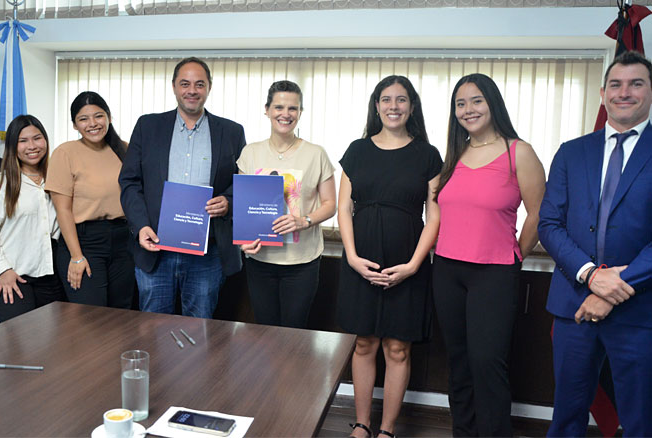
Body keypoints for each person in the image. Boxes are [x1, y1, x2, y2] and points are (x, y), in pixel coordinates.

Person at [539, 51, 652, 437]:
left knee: (641, 419)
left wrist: (610, 290)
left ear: (650, 91)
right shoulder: (572, 152)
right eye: (616, 85)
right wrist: (591, 277)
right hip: (574, 303)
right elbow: (549, 223)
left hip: (641, 309)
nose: (625, 93)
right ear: (603, 93)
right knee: (567, 415)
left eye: (636, 83)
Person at [432, 73, 545, 436]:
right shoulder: (454, 153)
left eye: (476, 100)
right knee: (459, 362)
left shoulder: (519, 151)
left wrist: (517, 254)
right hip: (447, 270)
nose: (468, 109)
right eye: (460, 103)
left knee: (487, 364)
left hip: (494, 273)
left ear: (492, 103)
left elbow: (540, 214)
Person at [336, 76, 442, 438]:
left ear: (412, 106)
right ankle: (362, 424)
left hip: (408, 264)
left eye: (401, 99)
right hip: (360, 261)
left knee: (398, 348)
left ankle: (387, 430)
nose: (393, 106)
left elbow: (435, 214)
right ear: (376, 105)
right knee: (364, 342)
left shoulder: (428, 155)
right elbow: (343, 209)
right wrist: (351, 256)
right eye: (386, 99)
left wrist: (414, 265)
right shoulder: (357, 150)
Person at [119, 57, 246, 318]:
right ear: (174, 87)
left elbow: (241, 182)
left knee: (199, 330)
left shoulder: (232, 131)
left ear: (209, 87)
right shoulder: (148, 126)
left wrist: (229, 201)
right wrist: (141, 225)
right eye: (185, 83)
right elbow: (129, 182)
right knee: (153, 328)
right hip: (155, 247)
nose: (192, 90)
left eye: (199, 84)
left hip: (207, 253)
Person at [237, 80, 336, 328]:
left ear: (300, 113)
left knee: (294, 333)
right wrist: (243, 241)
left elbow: (330, 203)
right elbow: (243, 207)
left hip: (301, 263)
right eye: (279, 107)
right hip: (260, 261)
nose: (286, 114)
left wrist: (304, 221)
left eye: (293, 108)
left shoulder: (316, 153)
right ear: (267, 110)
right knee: (264, 331)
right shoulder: (250, 153)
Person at [45, 91, 135, 308]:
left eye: (98, 116)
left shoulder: (124, 149)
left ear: (109, 117)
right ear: (75, 125)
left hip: (124, 241)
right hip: (85, 243)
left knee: (122, 314)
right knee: (91, 319)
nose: (92, 124)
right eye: (83, 119)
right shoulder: (65, 153)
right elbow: (63, 211)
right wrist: (76, 256)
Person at [0, 115, 65, 322]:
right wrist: (3, 271)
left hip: (50, 275)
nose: (32, 146)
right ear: (12, 147)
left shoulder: (57, 179)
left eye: (37, 138)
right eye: (23, 141)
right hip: (12, 275)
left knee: (55, 340)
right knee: (23, 341)